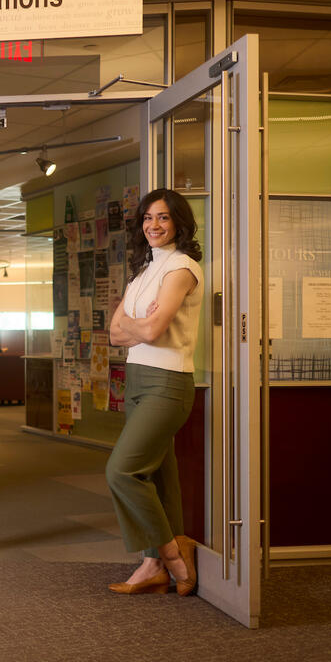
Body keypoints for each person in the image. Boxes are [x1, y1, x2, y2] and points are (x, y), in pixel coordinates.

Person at [106, 188, 204, 596]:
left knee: (122, 471)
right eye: (148, 218)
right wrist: (134, 326)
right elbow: (114, 333)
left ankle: (173, 555)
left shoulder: (181, 267)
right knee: (159, 475)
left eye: (163, 218)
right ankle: (151, 565)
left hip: (168, 381)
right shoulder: (144, 271)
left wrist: (136, 326)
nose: (154, 226)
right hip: (138, 379)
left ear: (178, 222)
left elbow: (150, 330)